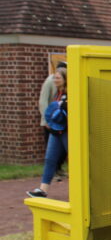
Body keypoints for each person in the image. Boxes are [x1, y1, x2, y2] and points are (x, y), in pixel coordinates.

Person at [28, 67, 68, 198]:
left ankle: (85, 190)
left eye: (58, 77)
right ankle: (42, 190)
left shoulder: (69, 94)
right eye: (54, 77)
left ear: (65, 79)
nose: (55, 80)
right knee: (50, 159)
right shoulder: (56, 93)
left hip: (67, 132)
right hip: (55, 132)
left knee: (75, 160)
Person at [38, 61, 68, 179]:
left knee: (62, 152)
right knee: (51, 153)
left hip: (61, 123)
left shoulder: (66, 88)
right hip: (51, 121)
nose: (56, 79)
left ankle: (58, 169)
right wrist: (46, 120)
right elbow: (43, 101)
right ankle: (53, 172)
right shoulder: (50, 81)